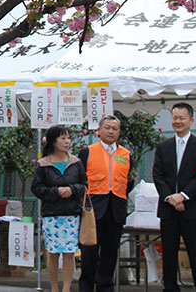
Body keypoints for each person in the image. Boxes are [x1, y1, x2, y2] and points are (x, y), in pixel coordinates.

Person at [152, 103, 196, 292]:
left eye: (182, 118)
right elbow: (158, 175)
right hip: (168, 209)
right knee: (169, 253)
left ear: (191, 120)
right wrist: (171, 197)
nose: (177, 122)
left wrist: (183, 196)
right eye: (175, 118)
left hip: (193, 209)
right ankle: (170, 288)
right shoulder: (163, 147)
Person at [78, 115, 133, 292]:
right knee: (89, 252)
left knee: (110, 253)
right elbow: (79, 179)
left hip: (116, 208)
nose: (110, 131)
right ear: (99, 130)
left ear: (119, 132)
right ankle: (86, 286)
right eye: (107, 128)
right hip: (93, 208)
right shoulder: (88, 151)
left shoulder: (126, 154)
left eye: (114, 129)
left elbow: (129, 181)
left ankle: (105, 287)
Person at [33, 125, 87, 292]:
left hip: (72, 213)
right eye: (63, 138)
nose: (67, 142)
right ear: (53, 141)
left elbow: (84, 185)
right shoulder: (43, 164)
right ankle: (54, 287)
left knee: (69, 253)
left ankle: (67, 288)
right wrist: (55, 192)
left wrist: (72, 189)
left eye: (68, 138)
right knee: (53, 252)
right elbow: (37, 188)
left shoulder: (76, 163)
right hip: (51, 214)